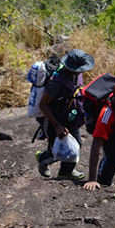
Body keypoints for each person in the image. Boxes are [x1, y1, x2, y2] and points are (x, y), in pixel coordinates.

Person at [36, 49, 95, 180]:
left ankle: (66, 172)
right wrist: (57, 126)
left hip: (70, 117)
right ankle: (42, 160)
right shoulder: (57, 81)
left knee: (76, 144)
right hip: (56, 119)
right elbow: (43, 105)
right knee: (56, 151)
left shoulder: (76, 75)